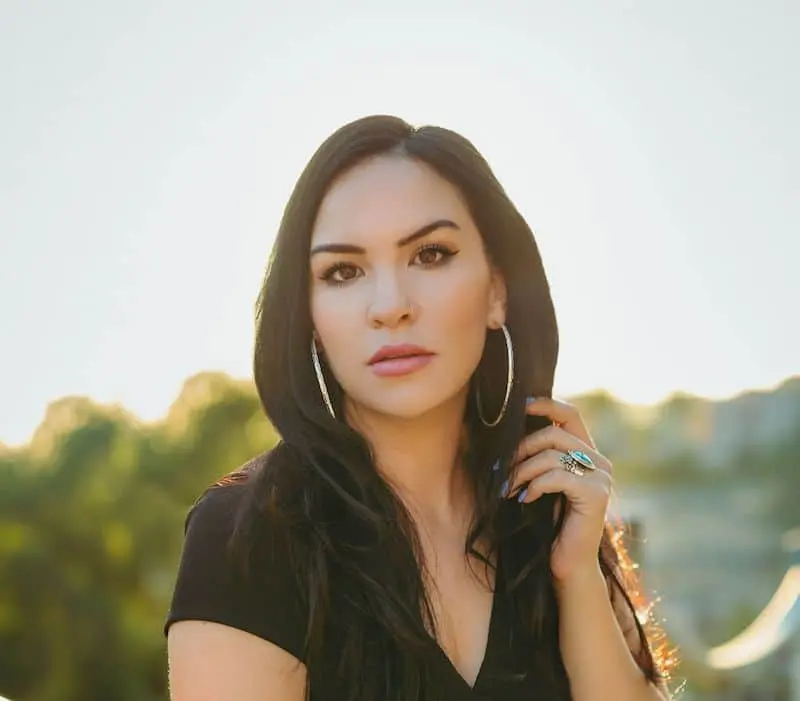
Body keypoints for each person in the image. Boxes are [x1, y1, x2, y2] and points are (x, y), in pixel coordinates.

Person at [164, 115, 676, 700]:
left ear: (497, 292)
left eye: (430, 254)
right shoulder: (247, 534)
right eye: (344, 271)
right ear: (308, 317)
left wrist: (577, 571)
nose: (390, 306)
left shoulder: (544, 509)